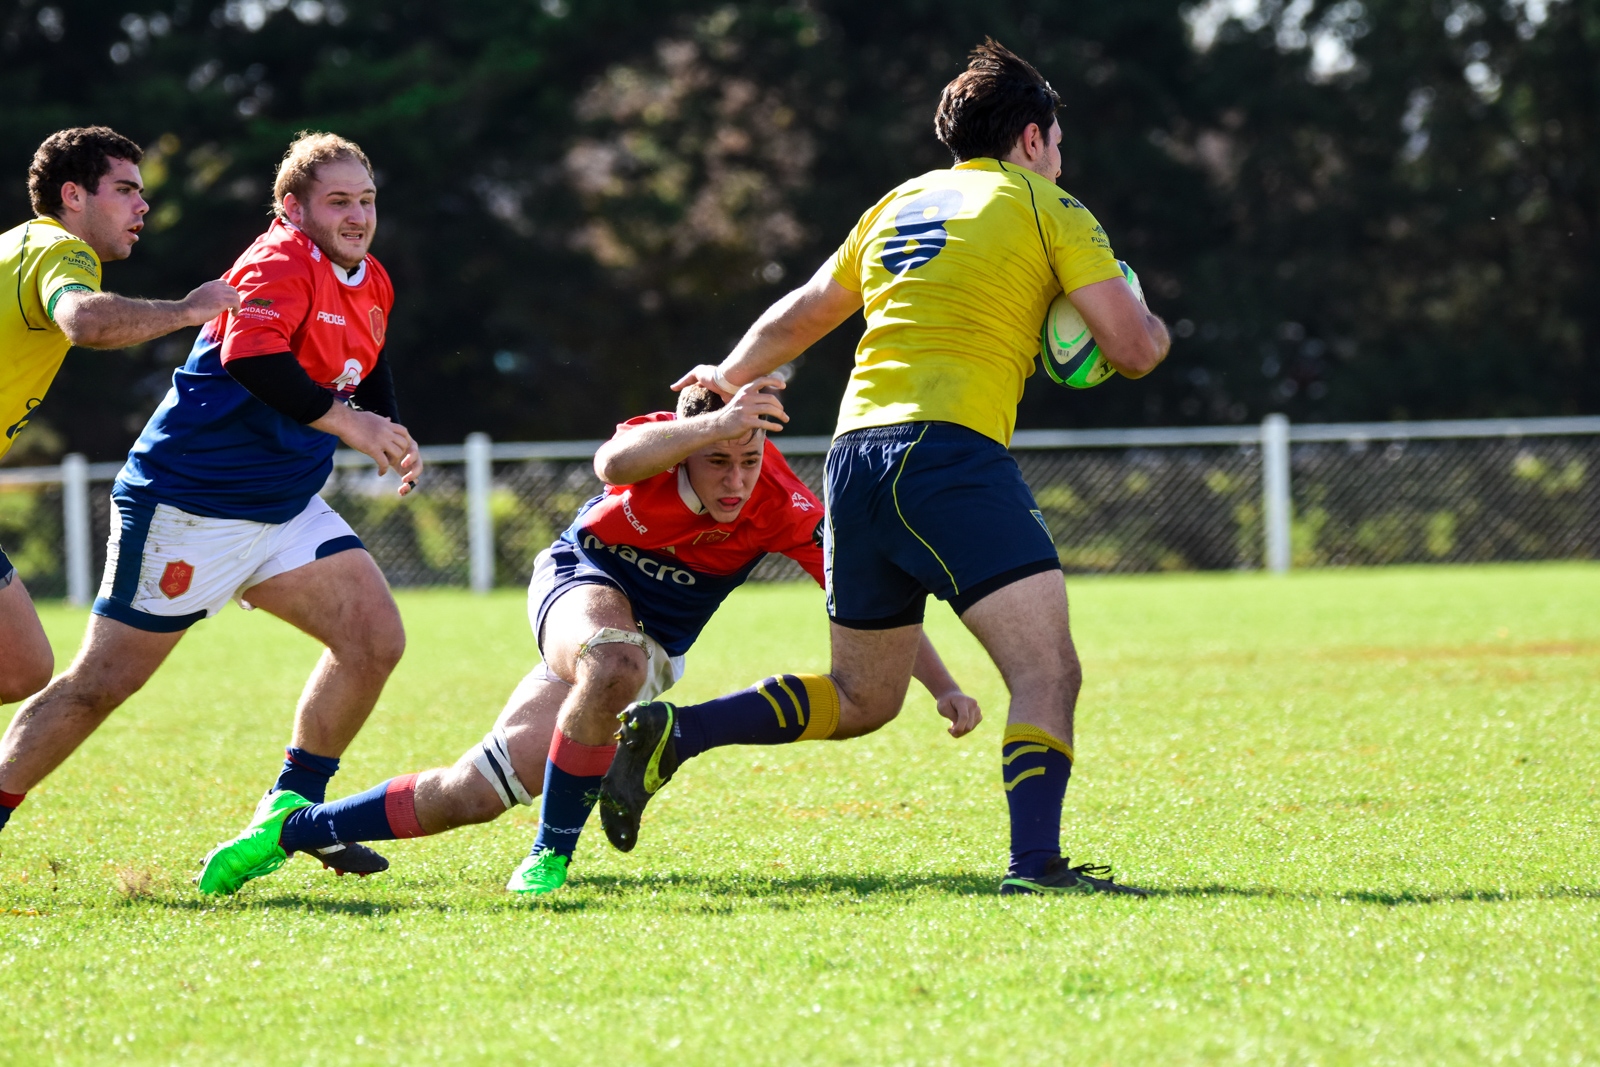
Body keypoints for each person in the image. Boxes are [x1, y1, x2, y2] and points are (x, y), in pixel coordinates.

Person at [599, 40, 1171, 896]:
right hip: (950, 455)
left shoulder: (899, 203)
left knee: (865, 697)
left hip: (856, 461)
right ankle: (1037, 867)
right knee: (1047, 671)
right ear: (1029, 137)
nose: (1061, 158)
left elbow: (805, 311)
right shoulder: (1053, 209)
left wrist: (723, 374)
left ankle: (676, 733)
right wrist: (1146, 315)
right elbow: (1130, 350)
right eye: (1057, 142)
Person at [195, 380, 980, 897]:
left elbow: (867, 609)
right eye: (719, 459)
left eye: (749, 460)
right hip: (578, 580)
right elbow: (612, 459)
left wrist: (940, 683)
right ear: (691, 441)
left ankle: (293, 828)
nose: (736, 478)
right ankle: (553, 856)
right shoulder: (657, 447)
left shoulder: (779, 500)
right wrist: (705, 425)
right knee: (611, 660)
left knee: (473, 791)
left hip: (656, 647)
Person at [0, 132, 421, 884]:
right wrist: (350, 423)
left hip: (283, 506)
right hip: (190, 507)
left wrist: (384, 427)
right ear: (293, 207)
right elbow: (250, 357)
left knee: (374, 637)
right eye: (338, 201)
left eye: (367, 200)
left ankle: (288, 813)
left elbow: (369, 357)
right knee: (100, 684)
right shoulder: (277, 260)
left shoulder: (371, 277)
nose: (358, 215)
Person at [0, 126, 241, 764]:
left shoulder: (17, 247)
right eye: (126, 190)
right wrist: (190, 310)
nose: (143, 207)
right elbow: (85, 321)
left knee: (21, 665)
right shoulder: (60, 249)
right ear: (72, 195)